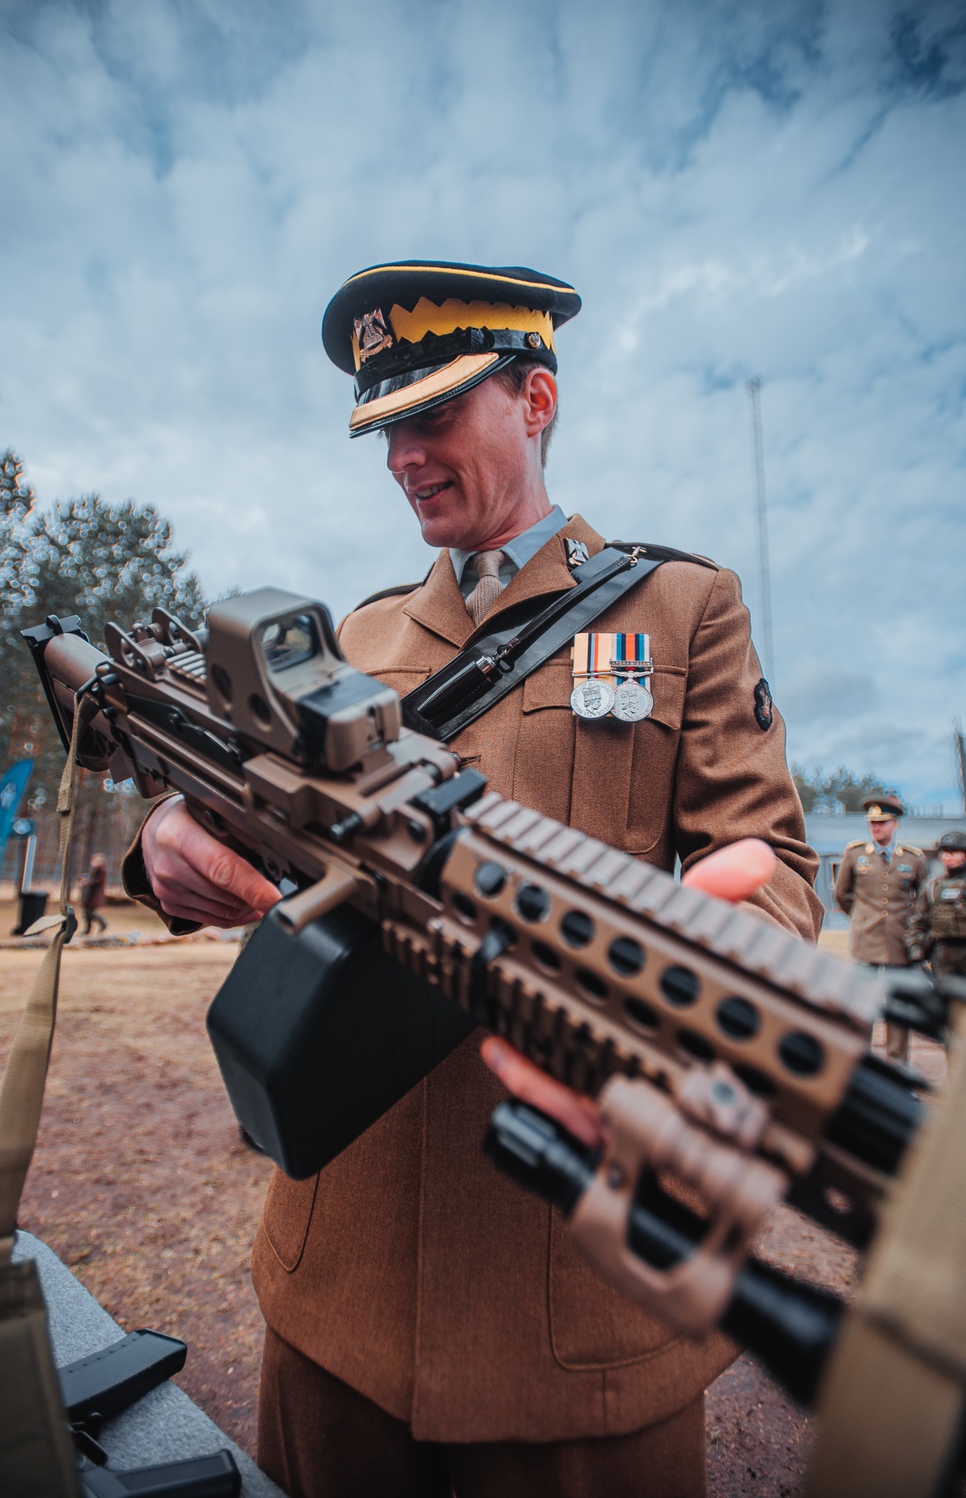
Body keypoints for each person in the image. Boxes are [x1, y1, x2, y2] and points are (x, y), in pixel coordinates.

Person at [123, 261, 821, 1498]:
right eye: (386, 427)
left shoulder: (680, 605)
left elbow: (768, 873)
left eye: (432, 415)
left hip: (575, 1292)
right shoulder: (356, 637)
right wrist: (166, 840)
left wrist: (684, 984)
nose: (402, 455)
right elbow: (253, 803)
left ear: (535, 398)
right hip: (344, 1272)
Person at [832, 794, 928, 1062]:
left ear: (895, 824)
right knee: (862, 1006)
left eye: (882, 822)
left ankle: (897, 1064)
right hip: (867, 942)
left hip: (900, 942)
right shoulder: (855, 854)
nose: (876, 827)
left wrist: (915, 933)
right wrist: (861, 917)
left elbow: (922, 901)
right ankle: (861, 1064)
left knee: (899, 1007)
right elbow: (842, 893)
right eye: (873, 822)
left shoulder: (913, 858)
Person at [907, 829, 966, 982]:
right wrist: (916, 953)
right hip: (941, 953)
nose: (947, 857)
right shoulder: (932, 887)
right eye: (944, 852)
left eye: (953, 852)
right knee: (943, 1001)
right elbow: (917, 922)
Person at [80, 851, 108, 935]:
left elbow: (96, 881)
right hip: (89, 895)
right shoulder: (93, 870)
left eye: (96, 861)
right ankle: (87, 930)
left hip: (95, 896)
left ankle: (103, 924)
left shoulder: (101, 870)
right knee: (86, 913)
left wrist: (87, 882)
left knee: (90, 912)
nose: (93, 862)